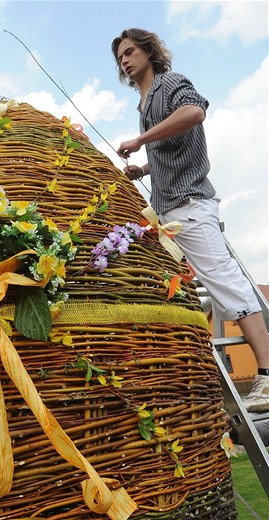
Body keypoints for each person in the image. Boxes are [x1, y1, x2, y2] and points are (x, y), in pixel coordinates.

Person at [111, 28, 269, 414]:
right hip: (169, 209)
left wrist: (139, 139)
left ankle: (266, 374)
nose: (125, 61)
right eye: (119, 59)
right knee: (190, 284)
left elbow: (195, 113)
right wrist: (146, 168)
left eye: (130, 52)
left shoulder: (170, 83)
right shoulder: (145, 103)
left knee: (227, 286)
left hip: (190, 204)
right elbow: (171, 148)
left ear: (148, 51)